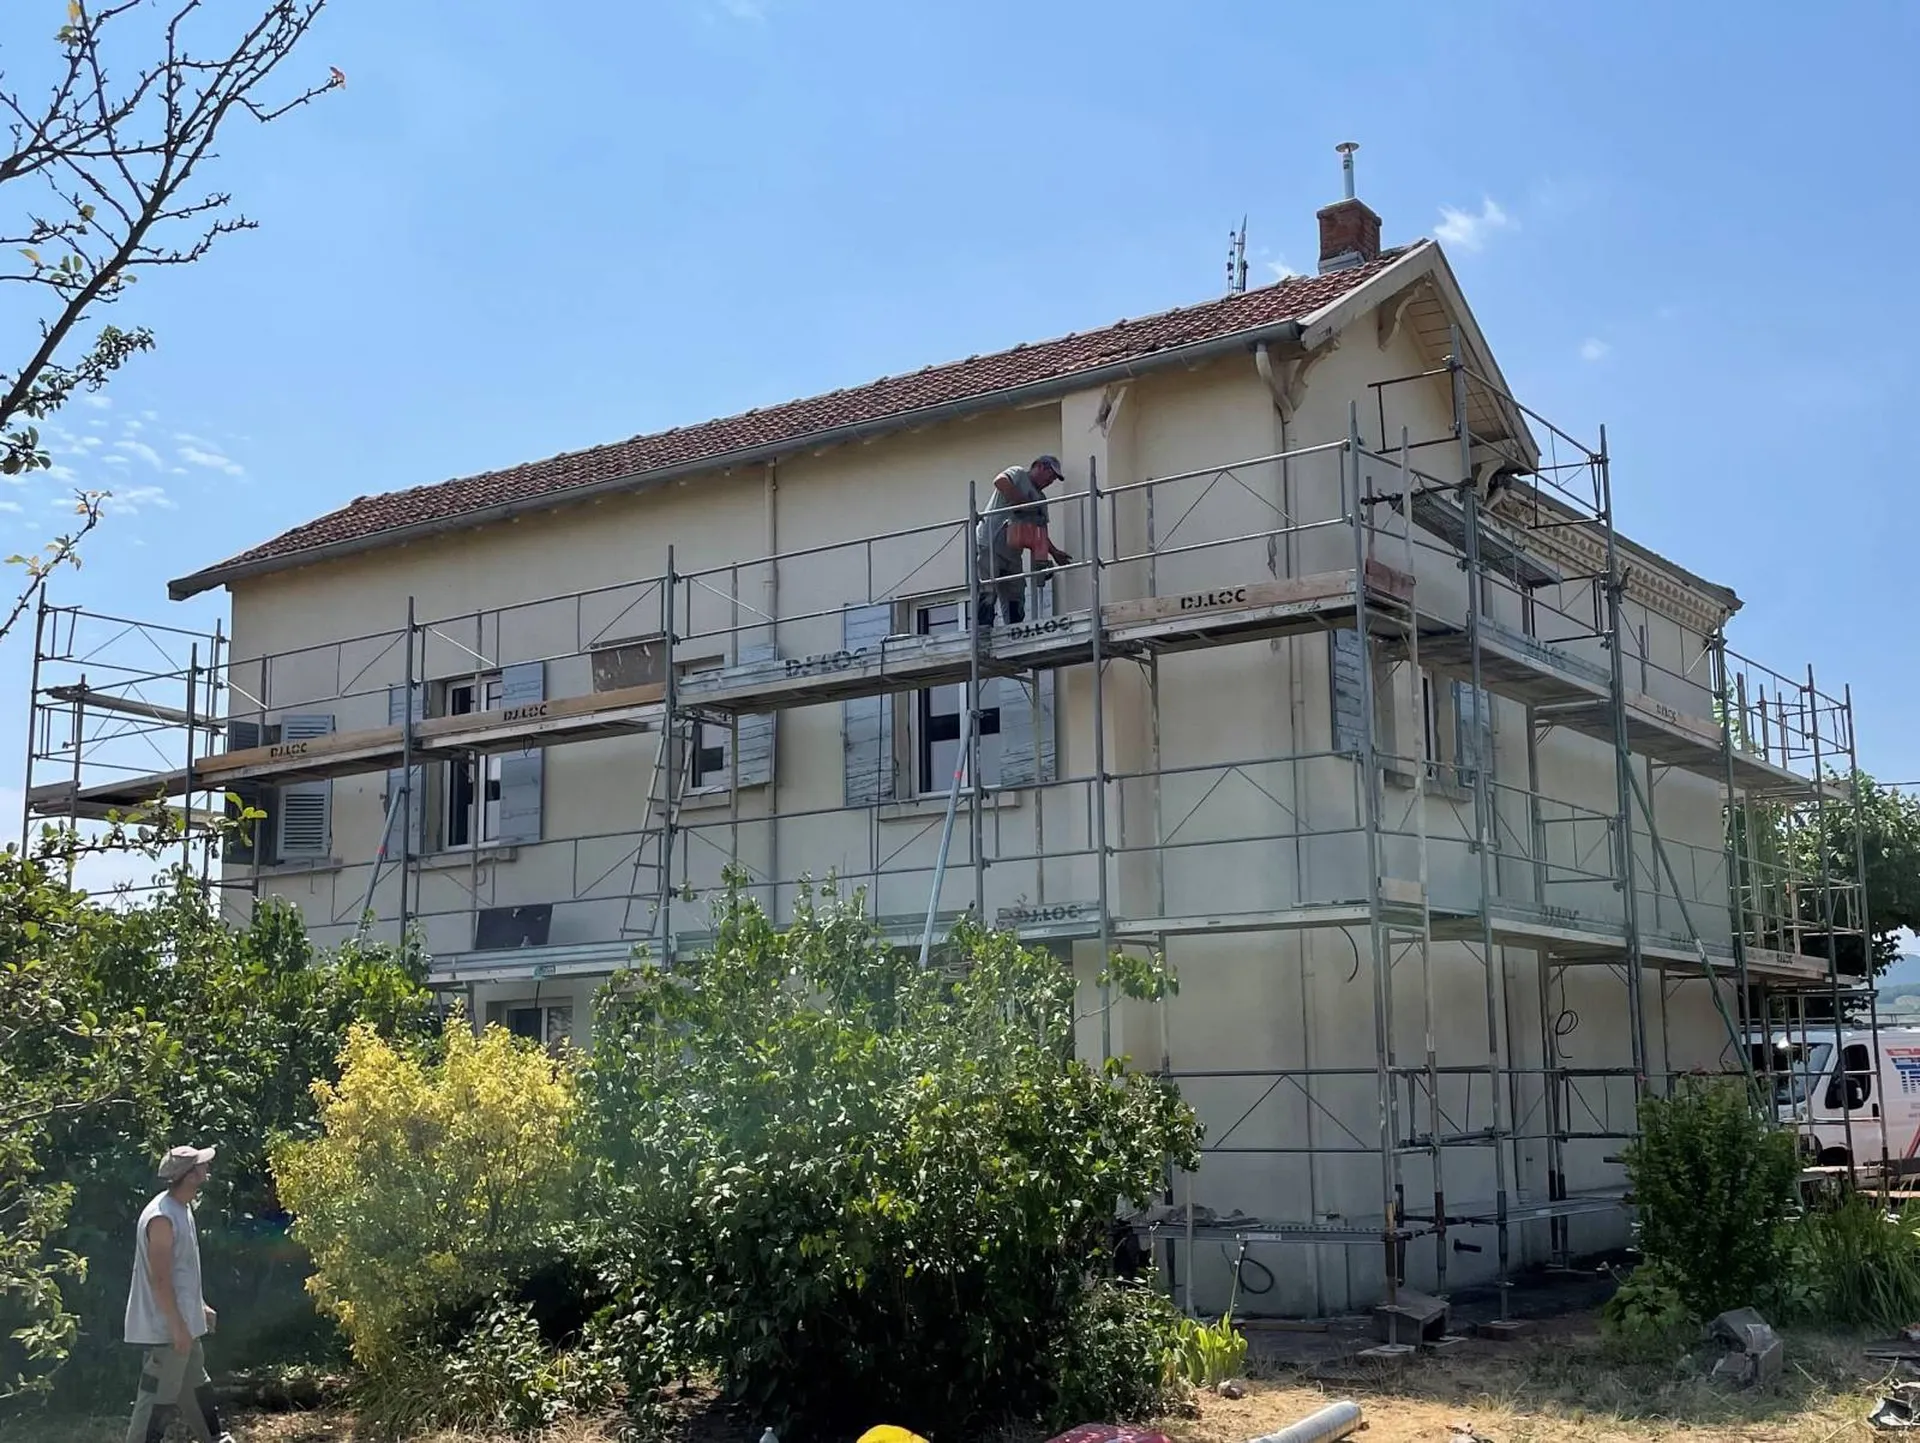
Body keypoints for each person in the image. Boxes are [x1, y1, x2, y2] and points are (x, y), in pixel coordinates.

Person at [124, 1145, 232, 1443]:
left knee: (196, 1387)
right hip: (167, 1331)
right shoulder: (161, 1218)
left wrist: (200, 1306)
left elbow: (182, 1271)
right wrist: (177, 1327)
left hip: (184, 1324)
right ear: (190, 1176)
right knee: (156, 1399)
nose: (206, 1167)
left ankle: (216, 1439)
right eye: (201, 1165)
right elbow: (160, 1279)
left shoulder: (181, 1207)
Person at [975, 454, 1072, 629]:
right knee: (988, 588)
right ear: (1040, 466)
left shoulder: (1041, 499)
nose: (1050, 481)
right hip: (990, 542)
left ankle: (1014, 631)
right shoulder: (1018, 474)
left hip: (1012, 552)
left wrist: (1054, 552)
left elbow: (1040, 531)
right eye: (1050, 475)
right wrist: (1020, 501)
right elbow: (1000, 481)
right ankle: (983, 631)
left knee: (1016, 593)